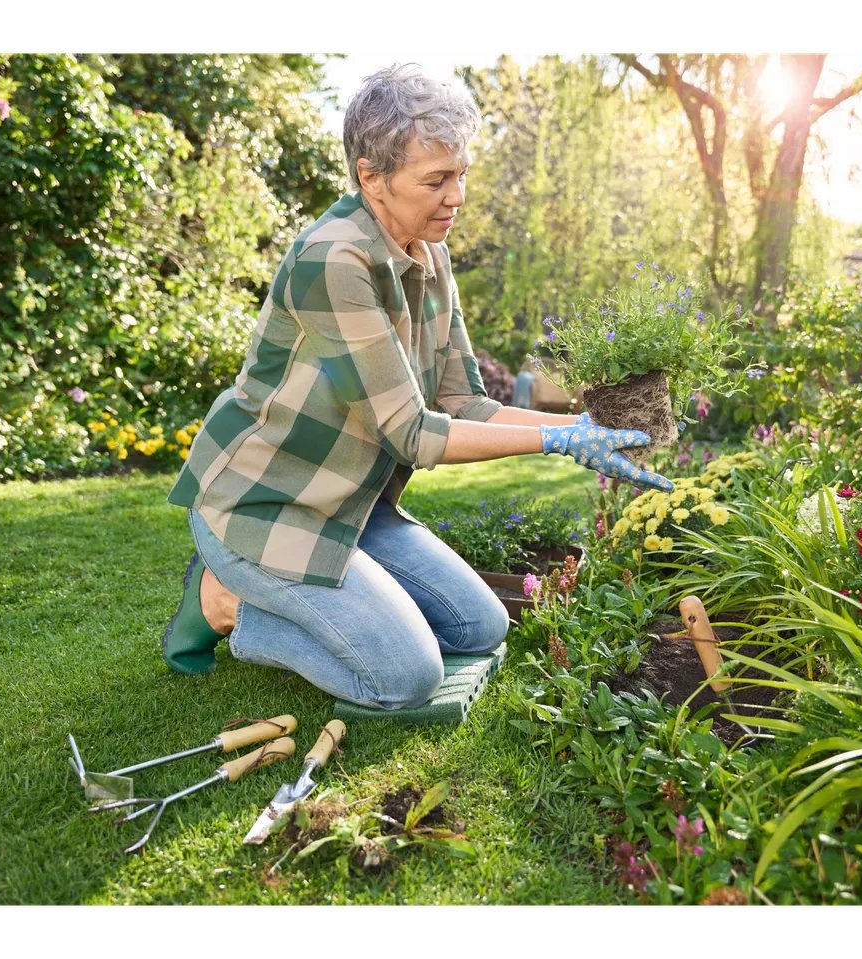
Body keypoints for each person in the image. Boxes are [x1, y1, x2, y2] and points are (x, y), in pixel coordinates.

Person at [161, 64, 673, 710]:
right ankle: (229, 602)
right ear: (371, 178)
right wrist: (552, 438)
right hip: (264, 508)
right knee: (405, 677)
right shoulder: (334, 261)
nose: (456, 196)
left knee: (479, 625)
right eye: (436, 180)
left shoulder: (432, 254)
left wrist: (581, 433)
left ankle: (302, 597)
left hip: (352, 504)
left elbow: (464, 402)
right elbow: (411, 431)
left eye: (461, 174)